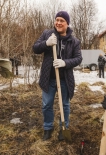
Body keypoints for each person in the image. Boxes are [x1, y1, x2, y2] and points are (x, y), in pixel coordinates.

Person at [32, 11, 82, 141]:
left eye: (62, 21)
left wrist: (65, 62)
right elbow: (35, 48)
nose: (58, 23)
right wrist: (46, 43)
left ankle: (63, 128)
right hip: (48, 78)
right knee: (46, 104)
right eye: (57, 20)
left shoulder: (74, 41)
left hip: (65, 79)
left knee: (64, 105)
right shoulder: (47, 34)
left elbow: (78, 59)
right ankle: (48, 128)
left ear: (67, 23)